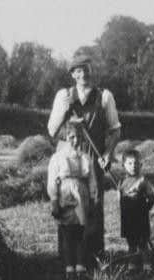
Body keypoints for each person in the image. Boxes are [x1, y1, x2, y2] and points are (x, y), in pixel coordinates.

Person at [47, 55, 121, 264]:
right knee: (67, 205)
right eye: (78, 71)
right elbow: (52, 130)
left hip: (93, 156)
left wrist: (107, 154)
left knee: (93, 204)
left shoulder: (104, 97)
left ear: (92, 70)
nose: (83, 74)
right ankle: (67, 257)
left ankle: (93, 257)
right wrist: (69, 120)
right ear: (72, 74)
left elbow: (115, 131)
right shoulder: (63, 96)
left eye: (86, 69)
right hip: (68, 158)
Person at [47, 122, 97, 280]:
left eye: (79, 138)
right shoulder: (58, 158)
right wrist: (54, 200)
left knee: (81, 232)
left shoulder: (85, 158)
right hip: (65, 195)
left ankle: (80, 267)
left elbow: (92, 181)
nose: (75, 141)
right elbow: (52, 181)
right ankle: (69, 269)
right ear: (65, 138)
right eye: (72, 137)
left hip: (82, 196)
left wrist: (93, 199)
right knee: (68, 233)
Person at [119, 149, 154, 272]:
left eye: (136, 163)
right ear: (123, 165)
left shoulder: (143, 182)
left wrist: (145, 208)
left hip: (140, 217)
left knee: (143, 242)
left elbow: (152, 198)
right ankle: (132, 265)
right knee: (131, 243)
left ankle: (147, 265)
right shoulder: (121, 182)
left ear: (140, 165)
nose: (133, 166)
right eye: (129, 163)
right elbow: (120, 199)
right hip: (128, 217)